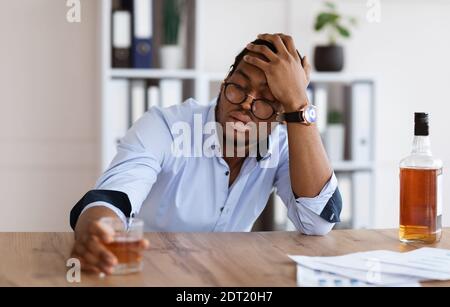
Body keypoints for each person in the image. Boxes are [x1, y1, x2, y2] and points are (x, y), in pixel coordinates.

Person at [70, 33, 342, 274]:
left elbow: (317, 222)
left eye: (267, 101)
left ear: (282, 113)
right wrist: (96, 231)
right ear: (225, 83)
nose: (246, 104)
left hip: (225, 278)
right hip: (150, 274)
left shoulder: (281, 145)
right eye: (239, 86)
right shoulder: (165, 126)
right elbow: (114, 198)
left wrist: (299, 104)